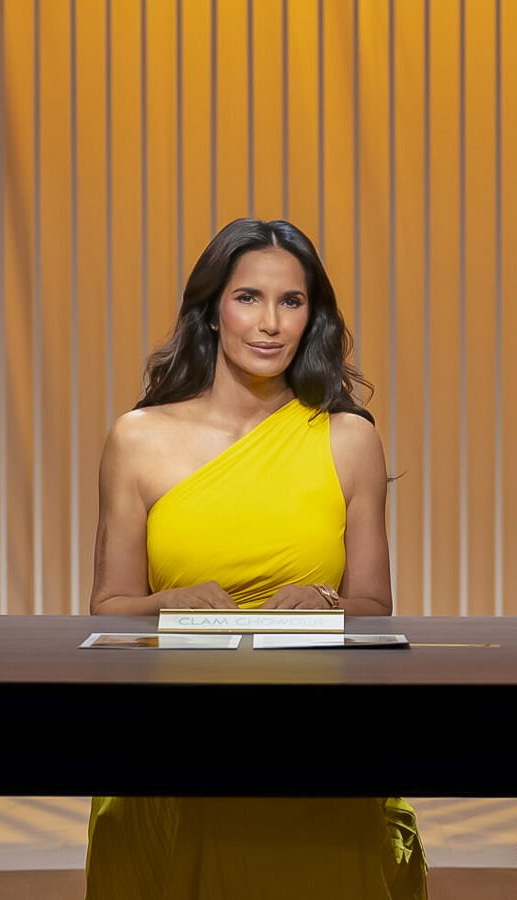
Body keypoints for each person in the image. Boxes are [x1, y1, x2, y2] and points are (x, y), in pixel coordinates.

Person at [86, 219, 425, 899]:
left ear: (311, 317)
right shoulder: (138, 437)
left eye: (290, 301)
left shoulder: (349, 437)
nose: (270, 323)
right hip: (173, 718)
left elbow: (374, 608)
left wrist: (325, 601)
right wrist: (167, 602)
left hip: (314, 717)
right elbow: (109, 608)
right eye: (248, 298)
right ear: (213, 310)